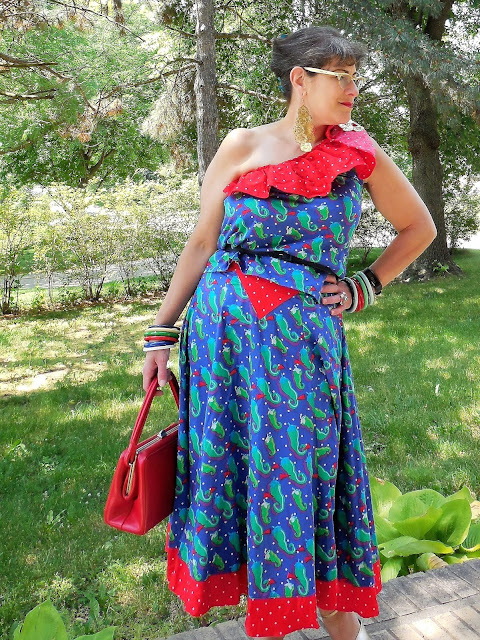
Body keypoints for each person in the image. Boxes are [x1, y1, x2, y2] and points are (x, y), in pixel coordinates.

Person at [142, 26, 436, 640]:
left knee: (299, 475)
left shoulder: (358, 152)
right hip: (222, 345)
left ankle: (338, 624)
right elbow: (202, 243)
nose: (353, 89)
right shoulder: (241, 146)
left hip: (299, 348)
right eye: (341, 77)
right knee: (238, 474)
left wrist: (365, 285)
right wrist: (160, 336)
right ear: (300, 79)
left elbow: (418, 228)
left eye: (356, 78)